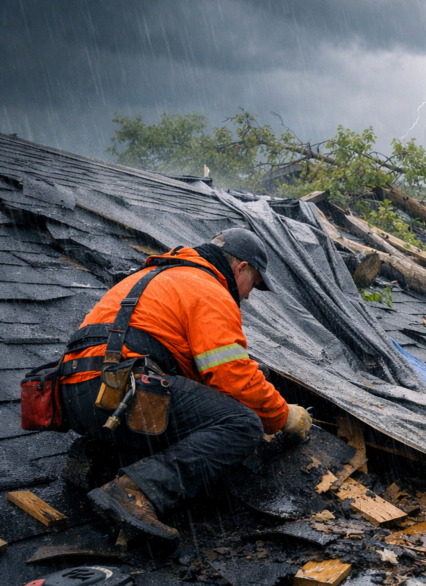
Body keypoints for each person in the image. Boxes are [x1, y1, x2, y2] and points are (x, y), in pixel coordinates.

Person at [58, 229, 312, 547]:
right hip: (124, 389)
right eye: (254, 284)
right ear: (241, 268)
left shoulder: (159, 274)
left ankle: (100, 460)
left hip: (77, 394)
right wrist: (283, 415)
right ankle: (134, 492)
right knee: (242, 425)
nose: (248, 295)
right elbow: (232, 377)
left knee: (183, 410)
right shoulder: (209, 289)